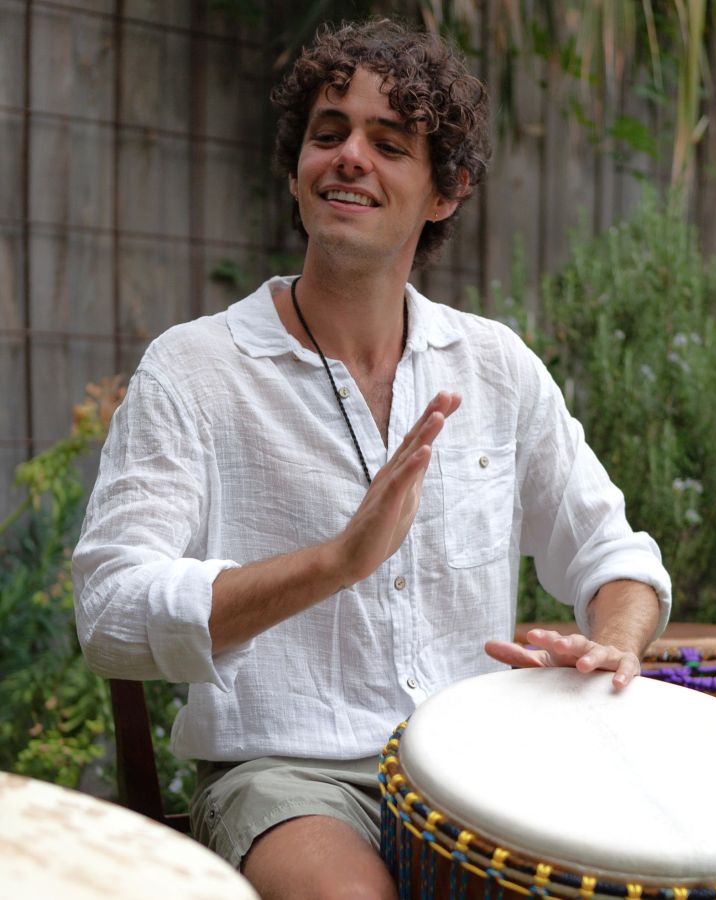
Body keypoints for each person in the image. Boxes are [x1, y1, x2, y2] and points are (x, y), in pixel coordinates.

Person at [73, 18, 672, 900]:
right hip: (286, 778)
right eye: (328, 134)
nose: (349, 155)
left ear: (446, 191)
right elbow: (110, 613)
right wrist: (335, 563)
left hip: (482, 769)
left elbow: (617, 558)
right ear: (296, 168)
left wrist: (611, 647)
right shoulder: (195, 369)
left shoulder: (495, 366)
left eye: (389, 143)